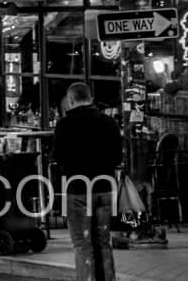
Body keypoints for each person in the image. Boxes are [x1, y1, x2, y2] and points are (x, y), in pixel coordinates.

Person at [52, 82, 122, 281]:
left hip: (78, 189)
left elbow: (58, 156)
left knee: (83, 245)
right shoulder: (109, 123)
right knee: (103, 242)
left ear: (71, 100)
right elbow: (117, 157)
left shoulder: (64, 124)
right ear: (90, 98)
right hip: (104, 188)